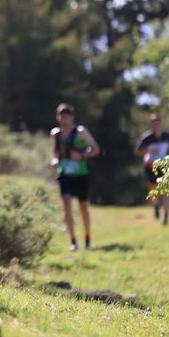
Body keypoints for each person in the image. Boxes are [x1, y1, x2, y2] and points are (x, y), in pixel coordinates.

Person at [49, 103, 101, 251]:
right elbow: (55, 153)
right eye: (61, 115)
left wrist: (82, 155)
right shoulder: (55, 134)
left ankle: (87, 236)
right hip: (64, 174)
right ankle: (73, 241)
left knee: (83, 207)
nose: (64, 118)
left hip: (80, 174)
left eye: (67, 115)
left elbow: (96, 149)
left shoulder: (81, 132)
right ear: (58, 117)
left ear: (72, 117)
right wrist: (54, 161)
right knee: (66, 203)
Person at [135, 113, 169, 224]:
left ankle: (166, 216)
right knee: (154, 191)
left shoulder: (167, 136)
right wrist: (148, 150)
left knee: (166, 192)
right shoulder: (146, 138)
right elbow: (137, 151)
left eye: (157, 123)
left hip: (164, 166)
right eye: (154, 123)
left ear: (161, 123)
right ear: (151, 125)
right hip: (150, 167)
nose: (156, 125)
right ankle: (156, 206)